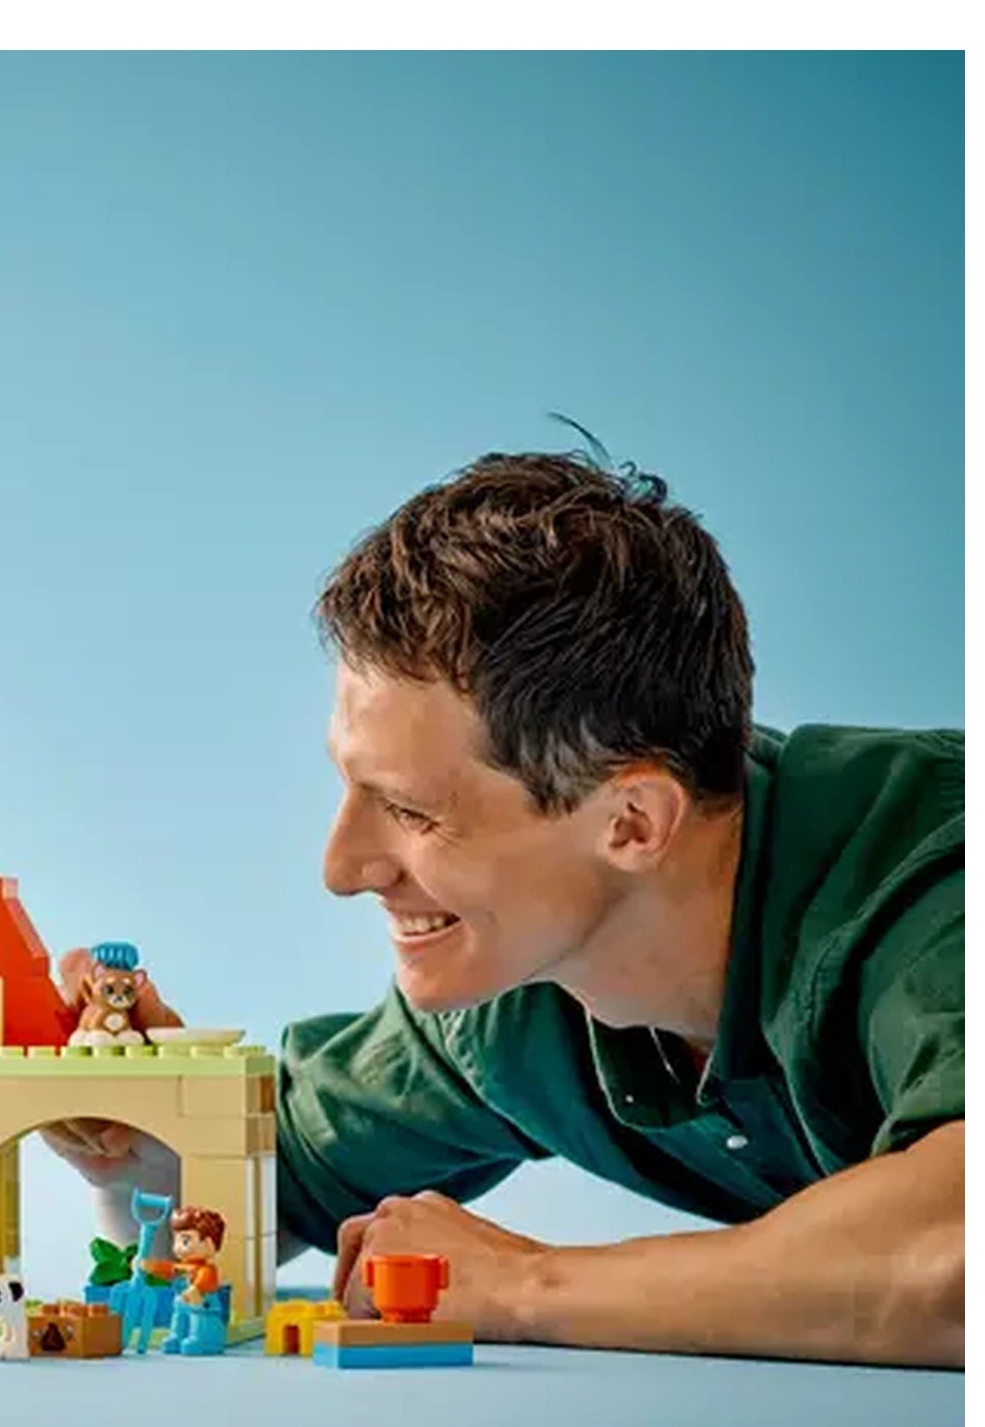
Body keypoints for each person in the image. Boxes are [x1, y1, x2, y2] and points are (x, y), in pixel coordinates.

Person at [48, 449, 963, 1368]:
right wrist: (146, 1129)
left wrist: (522, 1287)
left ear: (632, 822)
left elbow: (953, 1267)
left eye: (412, 811)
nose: (341, 869)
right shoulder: (515, 989)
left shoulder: (937, 893)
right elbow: (229, 1205)